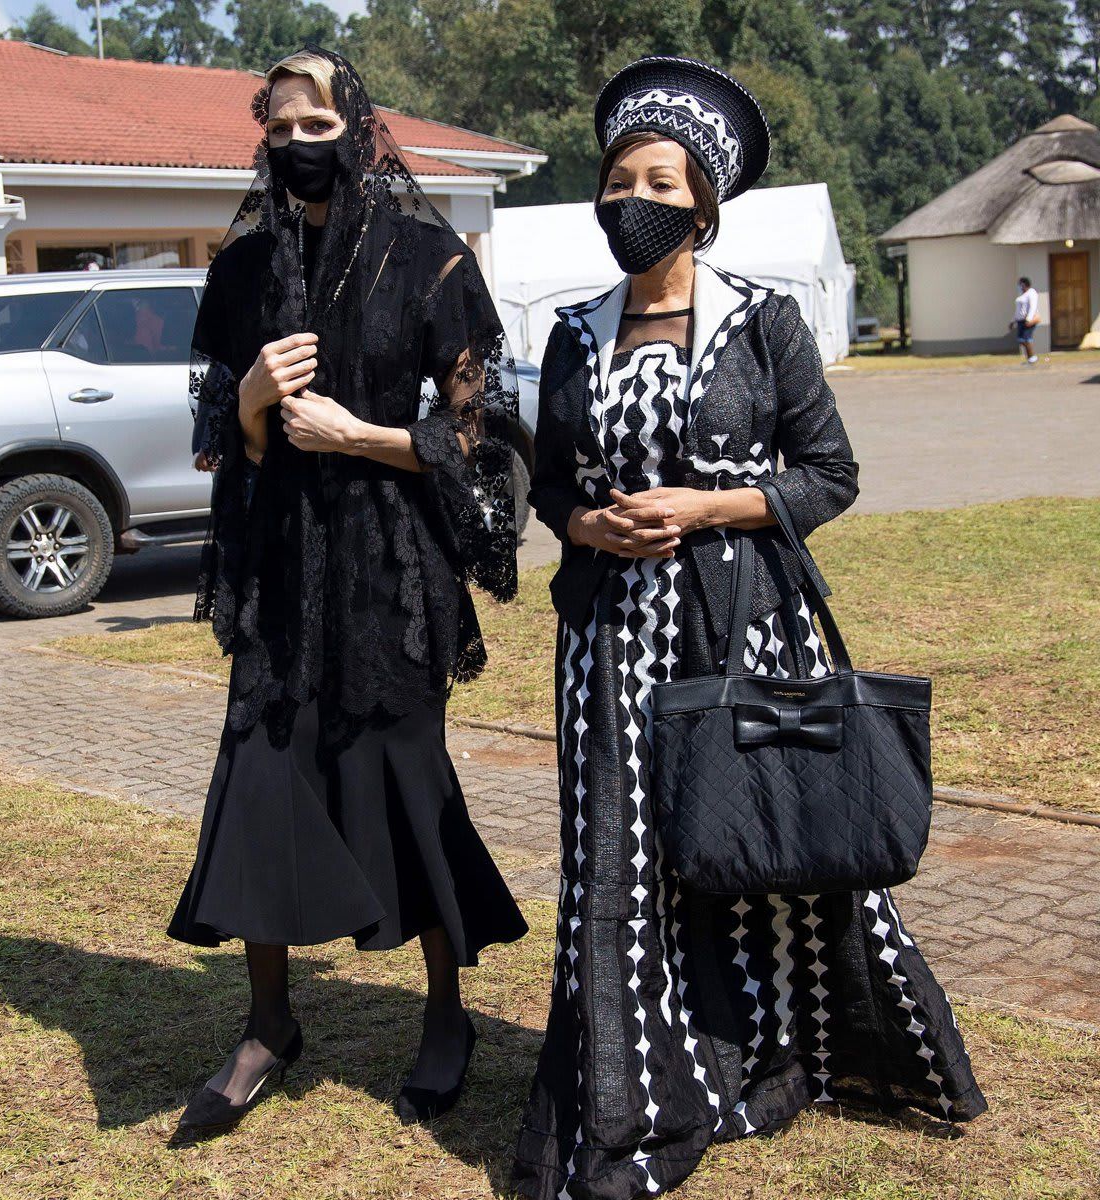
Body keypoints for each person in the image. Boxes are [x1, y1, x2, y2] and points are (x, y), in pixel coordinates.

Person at [511, 55, 986, 1200]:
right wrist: (587, 522)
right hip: (610, 641)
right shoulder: (575, 331)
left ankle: (773, 1060)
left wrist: (703, 504)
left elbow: (832, 475)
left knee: (754, 847)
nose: (637, 197)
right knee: (621, 858)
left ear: (704, 204)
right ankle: (637, 1092)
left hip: (743, 627)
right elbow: (546, 484)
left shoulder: (762, 322)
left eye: (662, 182)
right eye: (621, 177)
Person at [168, 44, 528, 1134]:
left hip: (387, 570)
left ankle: (447, 1015)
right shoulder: (239, 275)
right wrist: (251, 411)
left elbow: (484, 437)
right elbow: (216, 443)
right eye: (277, 129)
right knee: (262, 776)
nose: (295, 146)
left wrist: (360, 435)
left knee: (402, 784)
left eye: (315, 126)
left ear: (357, 130)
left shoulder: (425, 259)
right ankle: (268, 1019)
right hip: (282, 570)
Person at [1010, 276, 1040, 363]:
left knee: (1026, 338)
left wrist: (1029, 319)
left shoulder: (1031, 293)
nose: (1019, 286)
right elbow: (1018, 311)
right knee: (1021, 339)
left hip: (1027, 320)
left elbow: (1033, 307)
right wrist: (1013, 321)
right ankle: (1030, 357)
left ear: (1024, 284)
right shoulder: (1022, 295)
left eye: (1020, 284)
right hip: (1020, 321)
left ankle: (1032, 358)